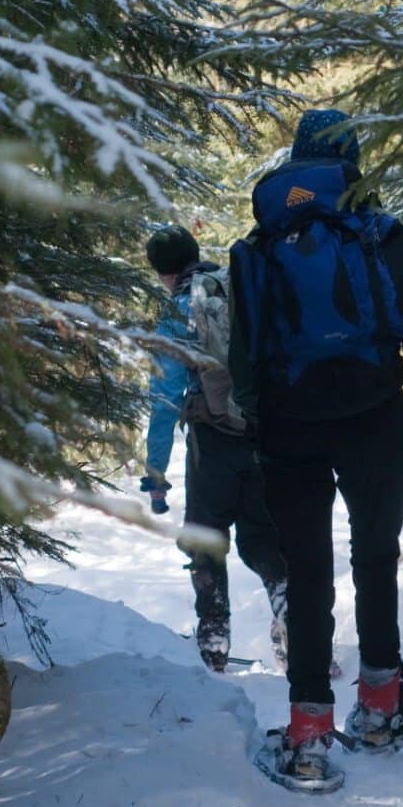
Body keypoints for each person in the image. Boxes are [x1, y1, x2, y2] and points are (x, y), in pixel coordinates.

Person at [230, 109, 403, 791]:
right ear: (353, 163)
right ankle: (379, 706)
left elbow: (242, 357)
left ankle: (309, 732)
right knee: (375, 559)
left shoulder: (260, 246)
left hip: (290, 426)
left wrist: (257, 431)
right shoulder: (382, 234)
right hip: (375, 416)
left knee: (310, 575)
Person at [142, 224, 292, 672]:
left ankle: (213, 642)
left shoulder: (176, 313)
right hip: (264, 435)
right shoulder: (238, 288)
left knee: (206, 540)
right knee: (266, 539)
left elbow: (165, 398)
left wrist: (156, 474)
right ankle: (292, 624)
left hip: (212, 443)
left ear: (163, 274)